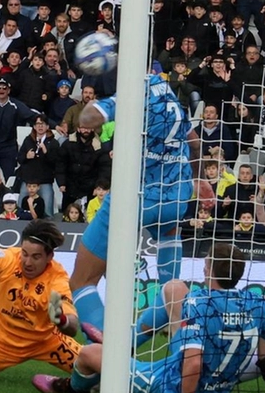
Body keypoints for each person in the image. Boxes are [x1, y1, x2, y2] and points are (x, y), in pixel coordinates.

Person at [34, 242, 265, 393]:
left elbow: (193, 362)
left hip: (170, 388)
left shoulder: (198, 302)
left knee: (90, 354)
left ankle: (72, 386)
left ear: (208, 269)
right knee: (172, 293)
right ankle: (118, 351)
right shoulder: (259, 303)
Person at [71, 72, 198, 345]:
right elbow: (195, 142)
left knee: (82, 280)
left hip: (138, 197)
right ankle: (134, 343)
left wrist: (105, 104)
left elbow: (87, 119)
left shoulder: (134, 91)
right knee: (169, 290)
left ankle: (107, 354)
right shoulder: (169, 95)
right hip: (177, 197)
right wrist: (199, 179)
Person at [0, 220, 80, 380]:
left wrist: (61, 320)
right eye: (24, 253)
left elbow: (73, 326)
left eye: (36, 257)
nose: (27, 262)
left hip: (45, 340)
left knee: (91, 371)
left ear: (49, 256)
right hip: (2, 338)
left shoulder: (58, 280)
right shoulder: (9, 259)